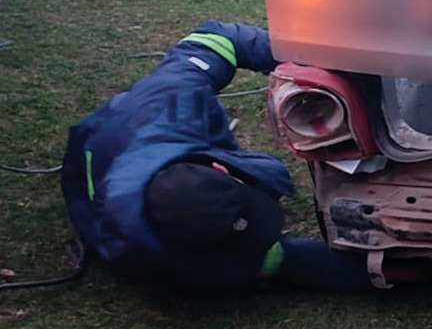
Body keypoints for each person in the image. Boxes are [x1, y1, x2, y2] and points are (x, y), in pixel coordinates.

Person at [60, 20, 376, 294]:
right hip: (113, 174)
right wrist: (383, 271)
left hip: (123, 133)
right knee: (272, 176)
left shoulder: (173, 100)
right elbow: (287, 263)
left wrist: (314, 63)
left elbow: (217, 38)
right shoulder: (181, 267)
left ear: (218, 168)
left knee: (273, 176)